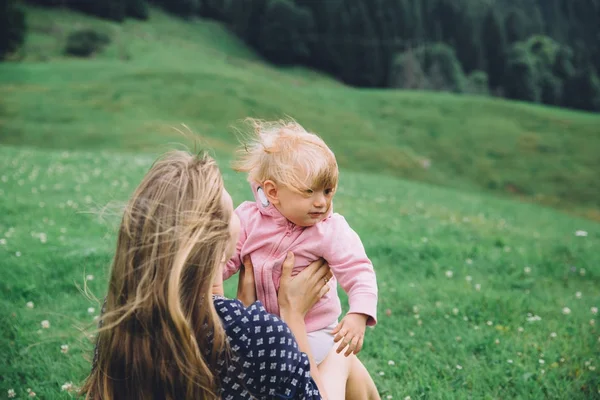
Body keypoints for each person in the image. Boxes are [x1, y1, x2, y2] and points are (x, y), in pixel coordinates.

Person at [80, 150, 380, 399]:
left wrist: (231, 306)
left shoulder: (120, 310)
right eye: (232, 211)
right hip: (294, 337)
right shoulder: (258, 332)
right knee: (344, 358)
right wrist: (293, 315)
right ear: (219, 237)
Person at [223, 119, 378, 370]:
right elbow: (227, 259)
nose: (321, 203)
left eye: (327, 191)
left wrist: (359, 314)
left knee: (283, 368)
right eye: (309, 192)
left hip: (314, 330)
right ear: (273, 192)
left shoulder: (329, 231)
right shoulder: (249, 220)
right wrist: (202, 281)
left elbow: (358, 270)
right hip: (263, 323)